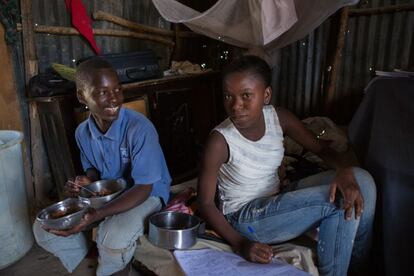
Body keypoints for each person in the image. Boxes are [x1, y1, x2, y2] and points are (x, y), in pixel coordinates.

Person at [197, 55, 376, 276]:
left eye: (246, 95)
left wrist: (344, 171)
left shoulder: (279, 118)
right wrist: (241, 243)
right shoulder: (220, 140)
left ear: (266, 95)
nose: (235, 106)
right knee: (339, 201)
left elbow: (321, 149)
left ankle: (358, 269)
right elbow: (204, 202)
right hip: (246, 217)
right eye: (228, 96)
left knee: (362, 180)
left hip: (275, 198)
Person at [33, 57, 171, 275]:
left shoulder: (140, 128)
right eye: (103, 92)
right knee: (44, 229)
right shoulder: (82, 133)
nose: (114, 99)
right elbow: (94, 171)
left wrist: (97, 215)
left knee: (111, 235)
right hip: (109, 195)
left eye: (117, 89)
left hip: (148, 194)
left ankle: (111, 265)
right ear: (82, 96)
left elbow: (144, 187)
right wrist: (86, 183)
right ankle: (90, 262)